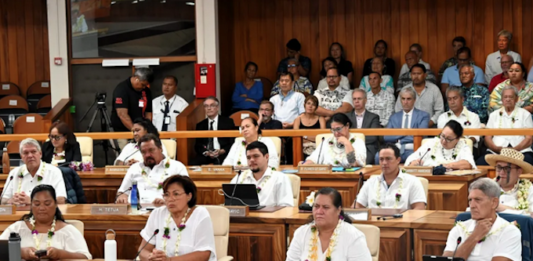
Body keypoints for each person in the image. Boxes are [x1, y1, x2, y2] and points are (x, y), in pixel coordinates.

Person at [0, 185, 91, 260]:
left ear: (55, 204)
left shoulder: (68, 231)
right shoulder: (17, 228)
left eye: (47, 204)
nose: (42, 208)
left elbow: (85, 257)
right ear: (31, 205)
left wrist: (60, 254)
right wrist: (21, 252)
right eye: (37, 204)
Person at [139, 175, 217, 261]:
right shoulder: (157, 214)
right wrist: (151, 257)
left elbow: (204, 254)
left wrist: (169, 260)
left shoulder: (200, 214)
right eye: (166, 195)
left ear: (189, 196)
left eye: (176, 194)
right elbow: (143, 250)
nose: (170, 199)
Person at [442, 178, 521, 260]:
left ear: (494, 203)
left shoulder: (509, 231)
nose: (472, 206)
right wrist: (474, 236)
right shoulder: (459, 229)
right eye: (470, 200)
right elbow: (448, 259)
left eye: (478, 200)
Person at [286, 187, 372, 261]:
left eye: (325, 207)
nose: (319, 212)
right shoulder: (301, 233)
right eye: (316, 206)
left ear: (338, 210)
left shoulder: (353, 237)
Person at [116, 134, 189, 206]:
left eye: (151, 150)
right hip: (137, 212)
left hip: (166, 210)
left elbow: (186, 193)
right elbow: (122, 192)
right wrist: (122, 196)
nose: (147, 155)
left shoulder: (177, 167)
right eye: (144, 152)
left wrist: (168, 201)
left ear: (160, 148)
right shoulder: (134, 168)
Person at [355, 144, 427, 209]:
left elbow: (419, 209)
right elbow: (357, 207)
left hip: (402, 222)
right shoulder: (370, 182)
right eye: (381, 159)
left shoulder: (412, 182)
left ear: (398, 160)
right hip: (374, 222)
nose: (384, 163)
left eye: (388, 159)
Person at [2, 138, 67, 205]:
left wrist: (33, 201)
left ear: (40, 154)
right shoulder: (14, 173)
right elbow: (3, 200)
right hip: (19, 214)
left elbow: (61, 200)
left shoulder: (54, 172)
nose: (30, 156)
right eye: (26, 153)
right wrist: (11, 200)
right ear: (21, 157)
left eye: (33, 152)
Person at [479, 86, 533, 166]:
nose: (508, 99)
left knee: (529, 162)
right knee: (480, 163)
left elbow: (529, 138)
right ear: (502, 99)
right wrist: (495, 148)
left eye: (511, 97)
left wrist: (515, 149)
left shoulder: (525, 114)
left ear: (516, 99)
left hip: (520, 151)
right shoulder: (494, 115)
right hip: (496, 151)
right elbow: (487, 137)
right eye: (505, 97)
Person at [229, 141, 293, 207]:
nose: (252, 160)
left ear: (267, 157)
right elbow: (230, 203)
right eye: (248, 157)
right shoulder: (240, 177)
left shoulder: (279, 178)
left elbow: (286, 207)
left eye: (256, 156)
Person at [382, 88, 429, 163]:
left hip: (413, 149)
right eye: (403, 99)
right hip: (396, 149)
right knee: (378, 156)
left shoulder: (423, 115)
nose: (405, 102)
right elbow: (386, 137)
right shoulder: (394, 117)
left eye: (408, 99)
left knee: (415, 160)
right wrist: (406, 133)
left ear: (414, 100)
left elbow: (423, 135)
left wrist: (398, 136)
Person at [405, 120, 476, 169]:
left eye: (449, 139)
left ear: (457, 139)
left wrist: (446, 166)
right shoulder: (431, 144)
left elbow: (468, 164)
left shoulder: (463, 147)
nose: (444, 141)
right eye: (442, 136)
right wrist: (413, 163)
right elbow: (411, 159)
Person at [111, 68, 154, 148]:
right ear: (136, 78)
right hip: (122, 132)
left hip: (141, 132)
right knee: (126, 156)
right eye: (143, 84)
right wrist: (136, 130)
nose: (144, 87)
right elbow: (122, 114)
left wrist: (147, 129)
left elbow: (148, 112)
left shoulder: (146, 91)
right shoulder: (121, 89)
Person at [486, 148, 533, 214]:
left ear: (519, 171)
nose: (501, 172)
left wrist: (504, 209)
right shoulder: (486, 187)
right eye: (499, 167)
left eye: (507, 168)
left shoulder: (529, 189)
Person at [192, 97, 236, 165]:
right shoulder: (200, 125)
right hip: (206, 155)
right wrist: (206, 152)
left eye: (212, 105)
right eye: (206, 106)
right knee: (193, 163)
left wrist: (222, 151)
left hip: (222, 153)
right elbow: (198, 145)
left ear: (217, 107)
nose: (209, 108)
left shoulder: (228, 122)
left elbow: (232, 142)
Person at [346, 89, 381, 164]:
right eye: (354, 99)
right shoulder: (346, 117)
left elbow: (373, 137)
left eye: (359, 98)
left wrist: (354, 140)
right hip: (350, 147)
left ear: (365, 100)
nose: (356, 101)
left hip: (367, 147)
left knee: (362, 164)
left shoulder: (373, 117)